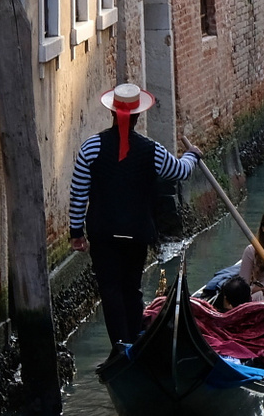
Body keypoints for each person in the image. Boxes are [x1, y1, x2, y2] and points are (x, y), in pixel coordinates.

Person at [68, 82, 201, 345]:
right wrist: (193, 155)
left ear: (112, 113)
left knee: (110, 289)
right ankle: (134, 342)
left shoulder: (90, 148)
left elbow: (78, 194)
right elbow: (180, 171)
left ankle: (121, 345)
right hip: (137, 233)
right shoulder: (152, 150)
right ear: (138, 116)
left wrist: (76, 233)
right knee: (132, 288)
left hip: (104, 233)